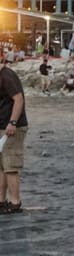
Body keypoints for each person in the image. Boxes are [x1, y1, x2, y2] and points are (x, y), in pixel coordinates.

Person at [0, 60, 28, 214]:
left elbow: (18, 99)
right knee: (1, 167)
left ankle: (15, 202)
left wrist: (12, 122)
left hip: (13, 127)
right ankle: (2, 201)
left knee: (10, 166)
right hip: (2, 126)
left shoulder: (6, 75)